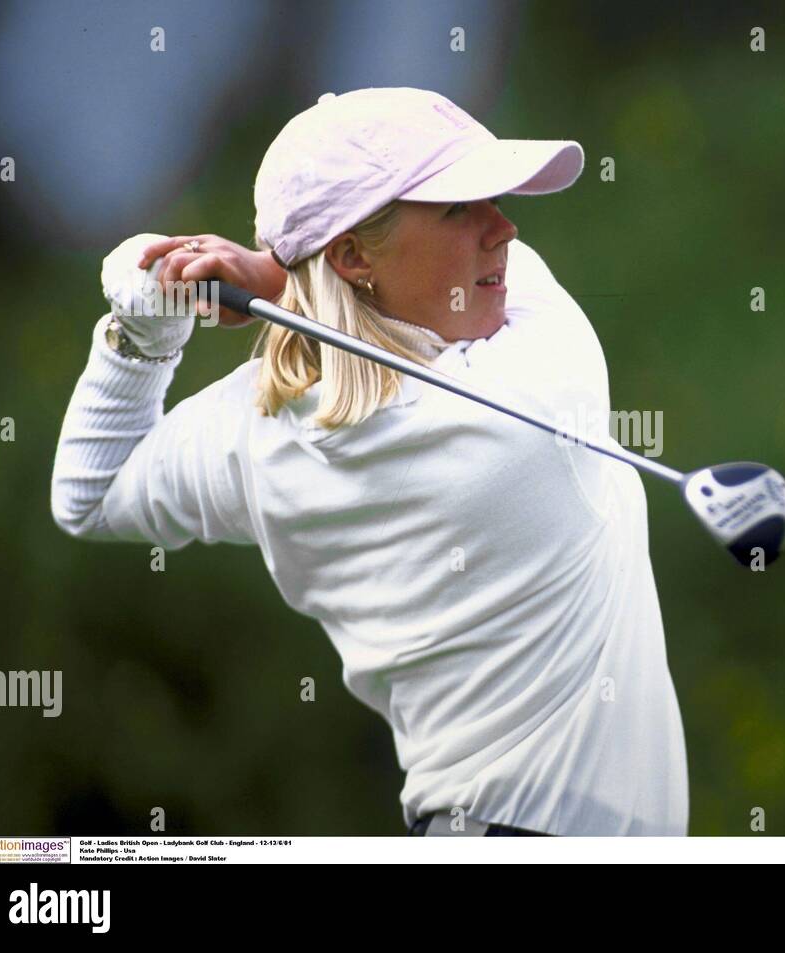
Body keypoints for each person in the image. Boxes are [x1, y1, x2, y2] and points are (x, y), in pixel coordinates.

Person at [50, 87, 688, 836]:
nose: (504, 228)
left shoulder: (257, 425)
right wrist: (272, 274)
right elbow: (488, 291)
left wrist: (143, 328)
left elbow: (87, 495)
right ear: (353, 254)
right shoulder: (539, 389)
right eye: (459, 208)